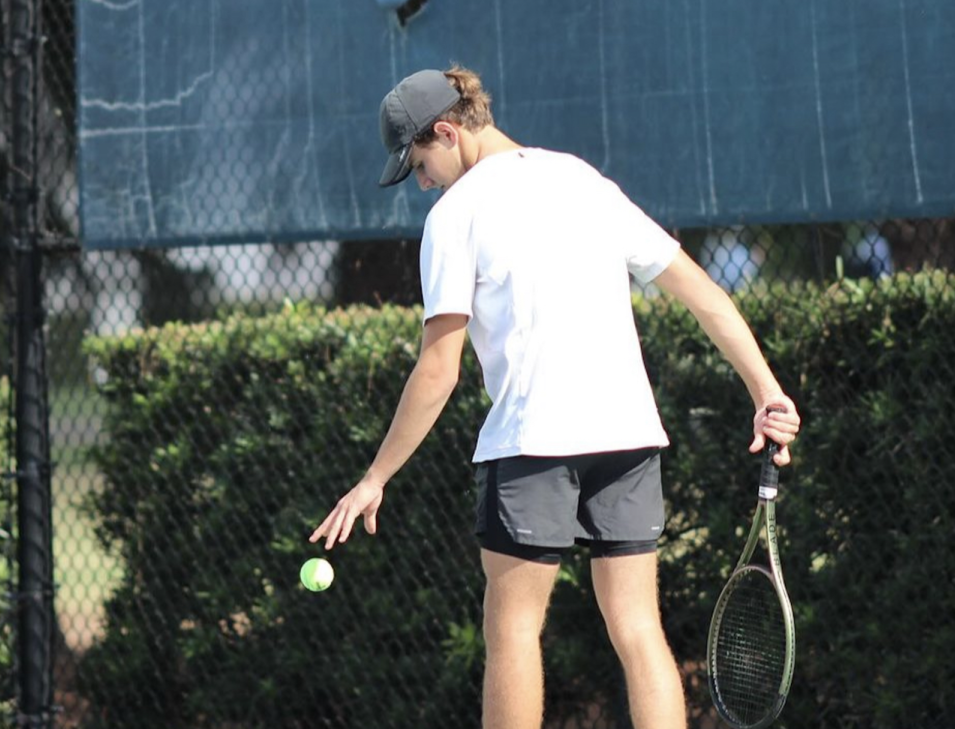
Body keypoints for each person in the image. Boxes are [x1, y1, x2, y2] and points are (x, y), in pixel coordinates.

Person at [310, 66, 801, 729]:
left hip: (532, 444)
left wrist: (374, 477)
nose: (421, 182)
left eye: (419, 162)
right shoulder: (583, 181)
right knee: (636, 627)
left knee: (512, 630)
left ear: (448, 132)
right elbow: (704, 294)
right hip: (628, 438)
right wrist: (767, 390)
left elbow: (438, 369)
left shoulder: (455, 215)